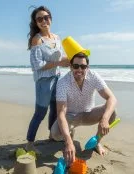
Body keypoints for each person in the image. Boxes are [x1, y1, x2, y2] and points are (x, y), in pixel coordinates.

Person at [50, 38, 118, 166]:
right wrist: (69, 143)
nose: (79, 69)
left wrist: (104, 119)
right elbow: (61, 113)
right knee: (55, 134)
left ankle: (96, 142)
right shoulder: (63, 83)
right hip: (70, 116)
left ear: (87, 67)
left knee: (111, 113)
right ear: (70, 66)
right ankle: (69, 135)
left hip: (88, 114)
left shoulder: (93, 76)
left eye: (83, 66)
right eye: (76, 66)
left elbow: (112, 98)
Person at [26, 6, 69, 153]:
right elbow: (36, 66)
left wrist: (71, 60)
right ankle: (30, 144)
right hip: (43, 82)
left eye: (46, 17)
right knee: (40, 113)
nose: (44, 21)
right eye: (39, 19)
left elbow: (60, 58)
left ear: (50, 18)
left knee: (55, 110)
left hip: (57, 78)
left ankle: (52, 135)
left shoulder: (57, 37)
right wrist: (58, 63)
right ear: (36, 23)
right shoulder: (36, 40)